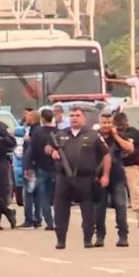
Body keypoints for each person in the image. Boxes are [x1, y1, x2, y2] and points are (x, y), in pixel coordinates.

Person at [46, 107, 111, 249]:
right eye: (72, 115)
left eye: (77, 115)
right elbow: (48, 148)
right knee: (60, 210)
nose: (74, 118)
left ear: (84, 118)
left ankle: (87, 239)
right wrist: (52, 151)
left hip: (85, 178)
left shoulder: (93, 135)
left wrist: (105, 175)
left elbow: (106, 155)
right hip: (64, 178)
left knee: (88, 211)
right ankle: (61, 240)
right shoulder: (61, 134)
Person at [94, 112, 133, 248]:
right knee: (99, 209)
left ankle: (123, 236)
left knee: (121, 207)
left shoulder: (118, 136)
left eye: (109, 123)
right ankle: (99, 236)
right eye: (104, 123)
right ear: (100, 123)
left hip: (117, 177)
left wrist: (116, 136)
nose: (106, 125)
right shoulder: (95, 137)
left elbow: (130, 148)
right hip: (99, 178)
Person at [23, 108, 57, 231]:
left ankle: (49, 222)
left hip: (41, 168)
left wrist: (28, 167)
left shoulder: (37, 133)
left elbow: (30, 151)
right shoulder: (58, 132)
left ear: (42, 119)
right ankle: (58, 220)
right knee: (58, 196)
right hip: (57, 168)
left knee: (44, 196)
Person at [114, 112, 139, 227]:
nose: (120, 128)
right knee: (118, 194)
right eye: (118, 126)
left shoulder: (134, 133)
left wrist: (132, 154)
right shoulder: (112, 134)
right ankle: (121, 220)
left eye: (122, 125)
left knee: (135, 192)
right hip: (117, 166)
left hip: (131, 165)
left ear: (126, 122)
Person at [18, 110, 41, 228]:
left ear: (32, 119)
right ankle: (37, 217)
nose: (25, 118)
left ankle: (29, 219)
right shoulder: (37, 130)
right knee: (37, 192)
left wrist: (27, 166)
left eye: (27, 116)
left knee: (28, 192)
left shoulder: (33, 132)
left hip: (30, 165)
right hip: (38, 165)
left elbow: (30, 151)